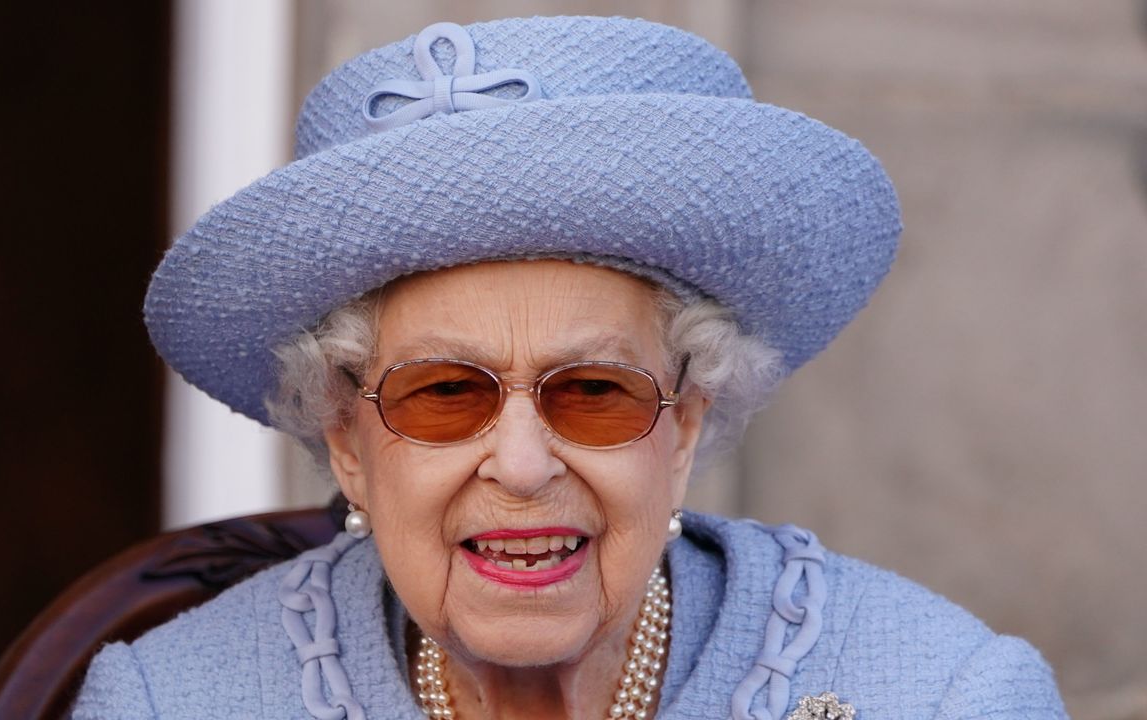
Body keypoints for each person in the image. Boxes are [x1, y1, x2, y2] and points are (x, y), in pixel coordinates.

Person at [73, 16, 1068, 720]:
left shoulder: (940, 697)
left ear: (682, 426)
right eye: (443, 394)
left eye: (593, 394)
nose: (519, 464)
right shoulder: (171, 703)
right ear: (346, 440)